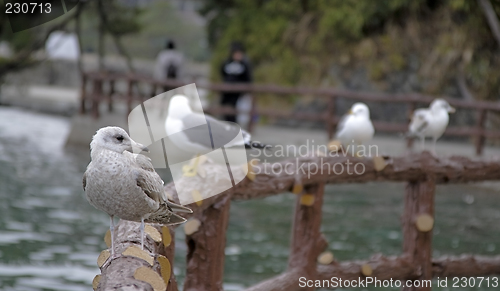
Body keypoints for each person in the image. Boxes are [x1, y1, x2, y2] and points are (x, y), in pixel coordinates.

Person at [220, 42, 252, 123]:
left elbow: (248, 79)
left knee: (238, 114)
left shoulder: (245, 65)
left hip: (239, 94)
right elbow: (222, 74)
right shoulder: (226, 63)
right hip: (227, 94)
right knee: (227, 112)